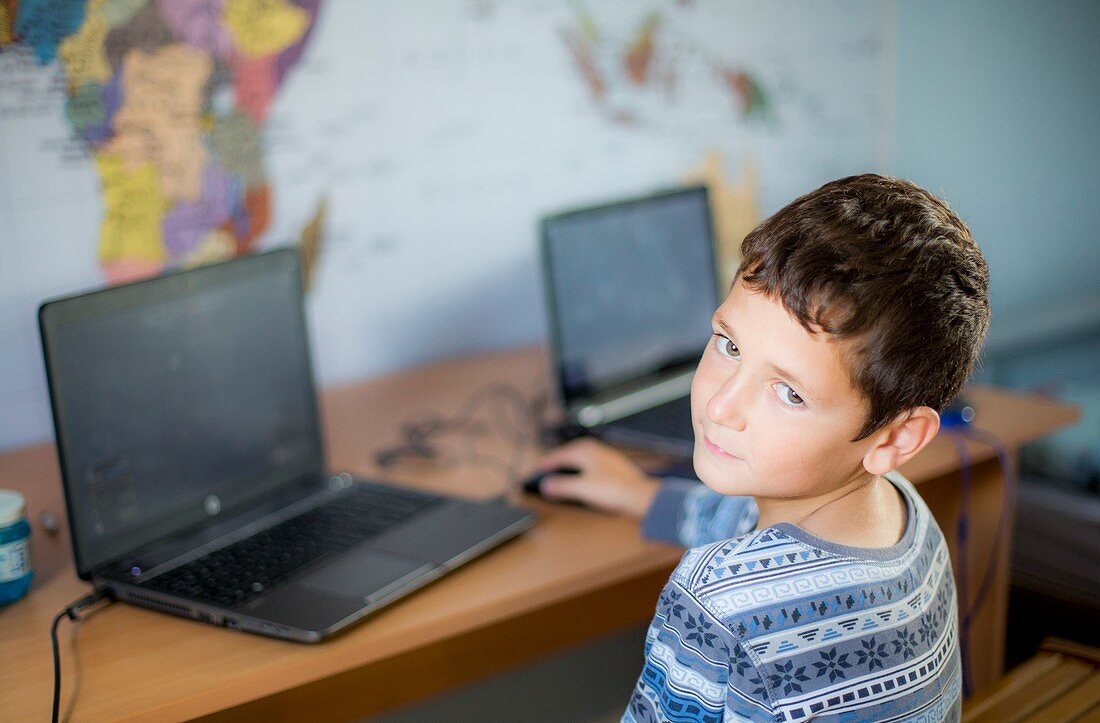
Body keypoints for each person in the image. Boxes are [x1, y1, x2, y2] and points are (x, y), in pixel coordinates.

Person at [534, 174, 989, 721]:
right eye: (729, 345)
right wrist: (638, 494)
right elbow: (748, 521)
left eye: (789, 393)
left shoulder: (720, 601)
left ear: (895, 437)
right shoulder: (904, 511)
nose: (721, 407)